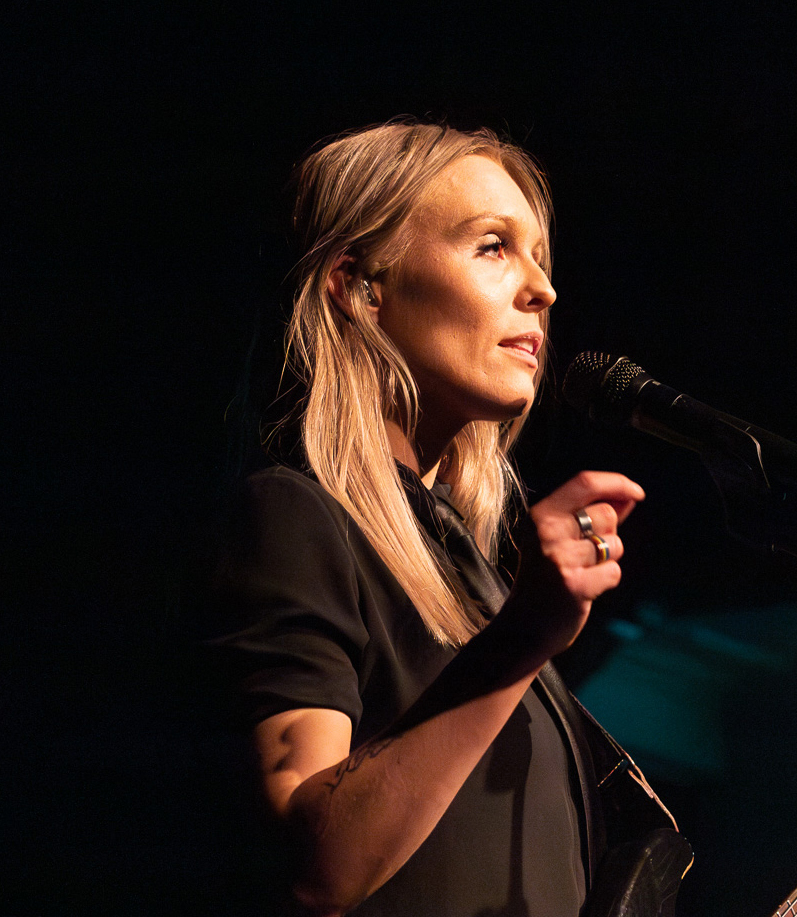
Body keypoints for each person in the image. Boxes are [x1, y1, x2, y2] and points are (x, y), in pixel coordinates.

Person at [201, 121, 683, 917]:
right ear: (358, 287)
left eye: (542, 258)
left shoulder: (479, 579)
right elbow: (314, 863)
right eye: (493, 246)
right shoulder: (292, 514)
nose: (543, 290)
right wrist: (523, 635)